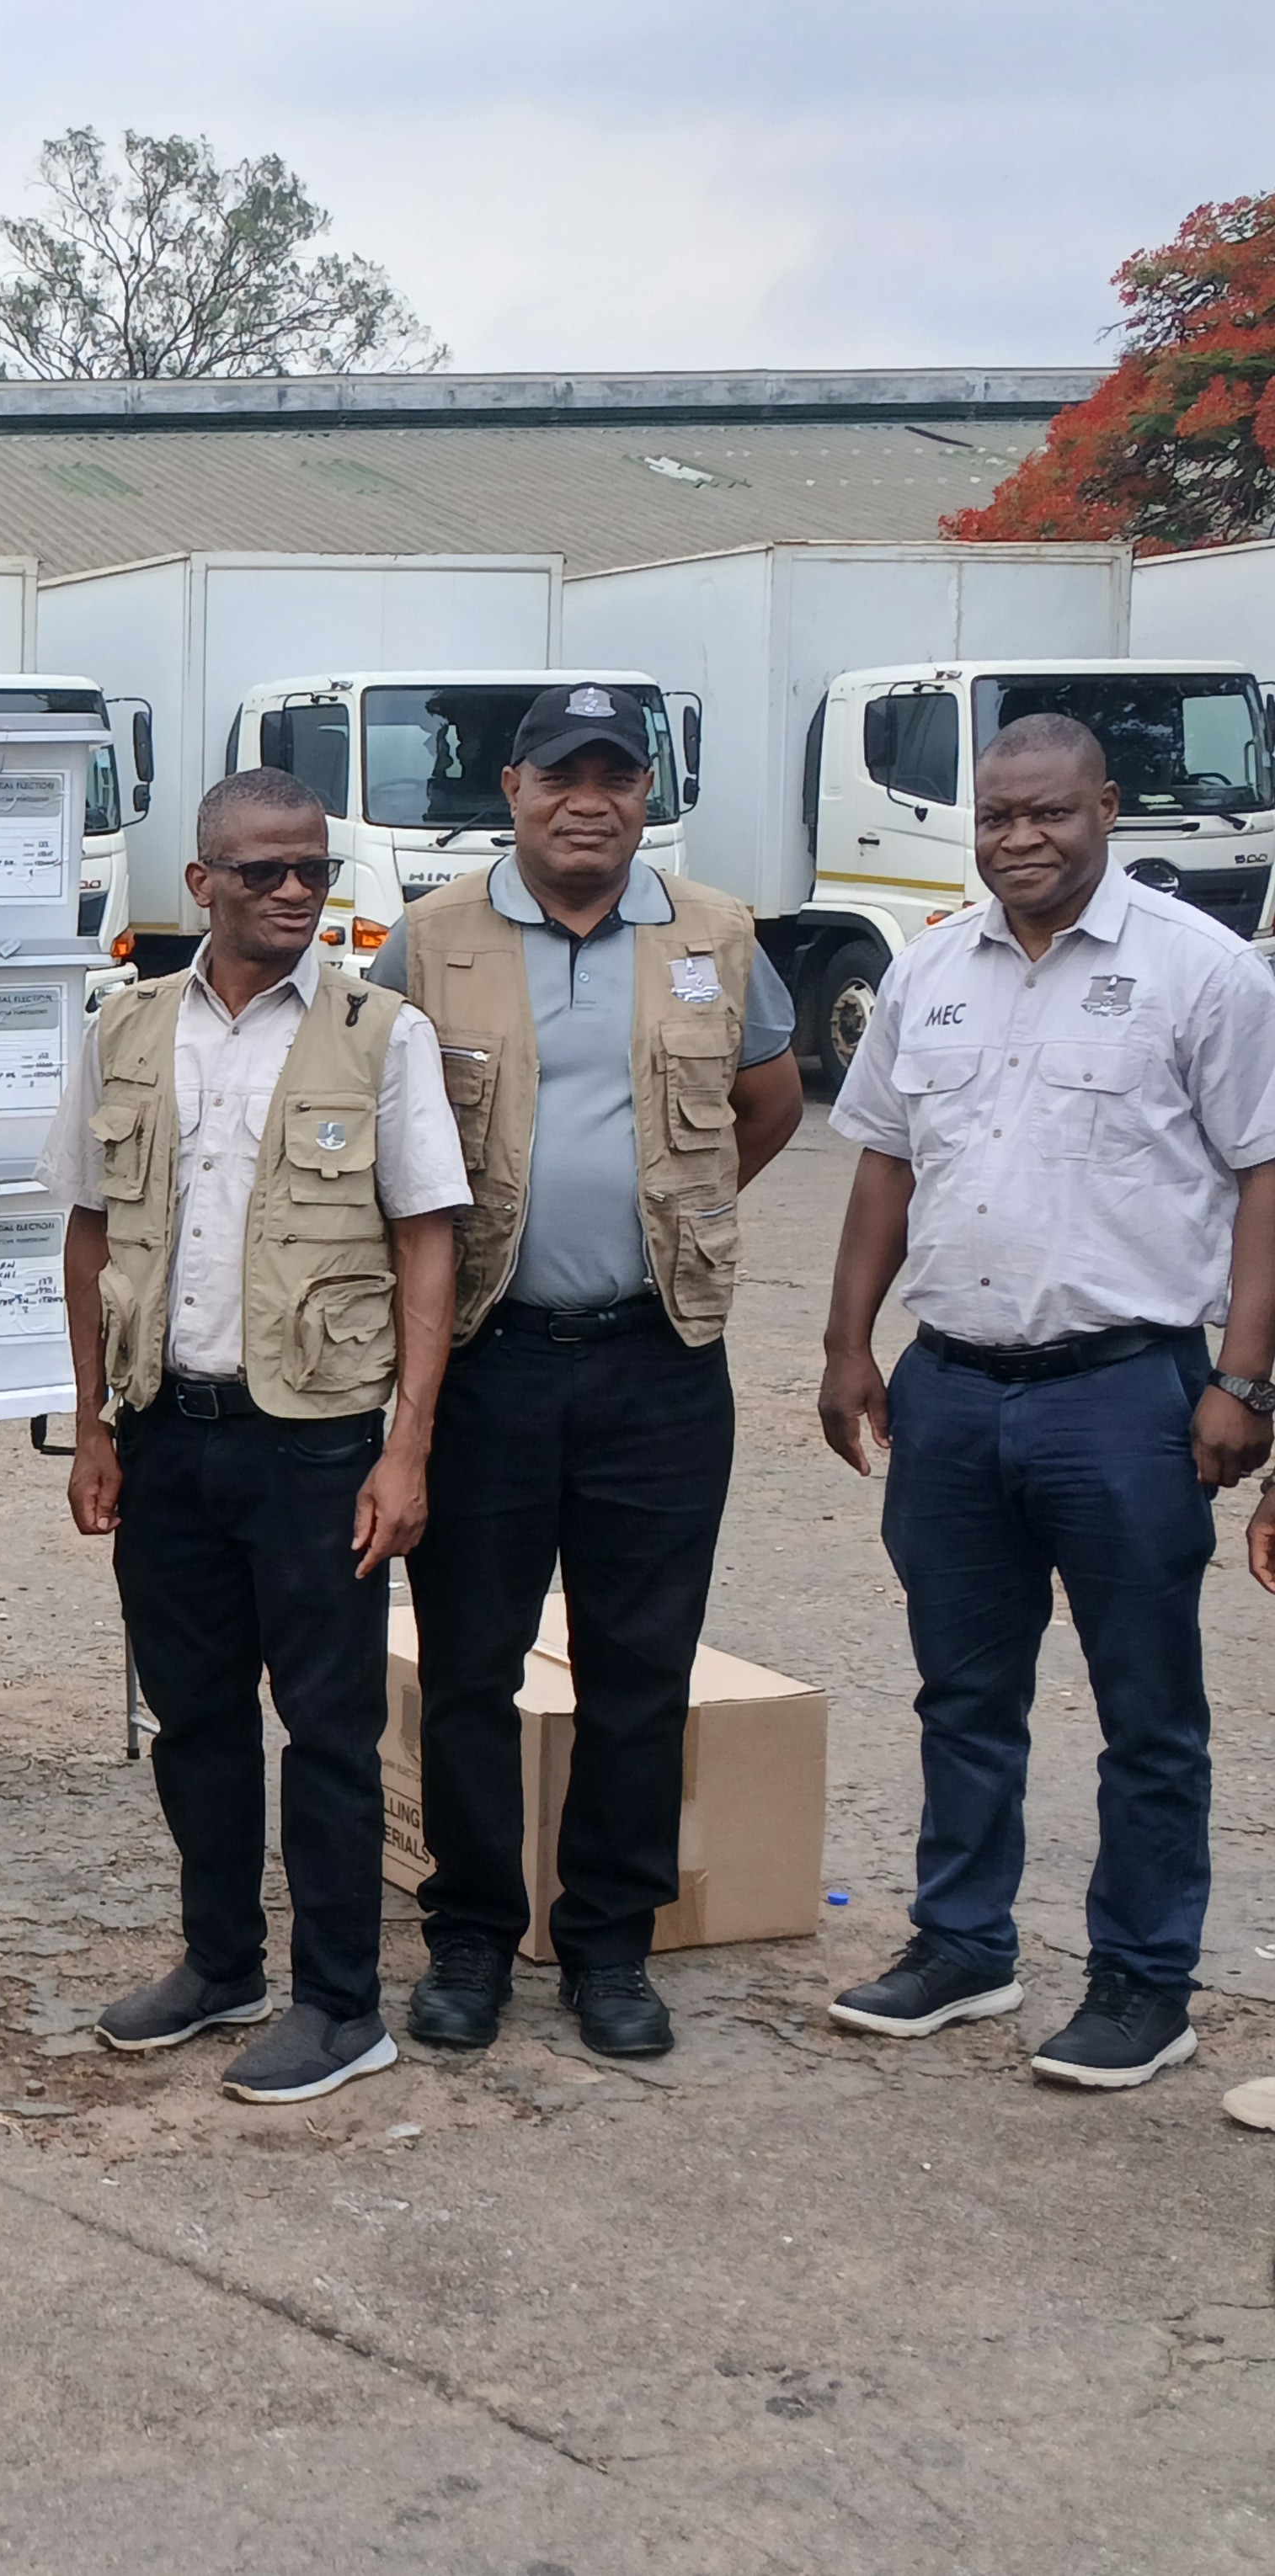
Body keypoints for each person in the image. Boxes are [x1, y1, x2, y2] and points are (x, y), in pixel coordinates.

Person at [818, 712, 1275, 2089]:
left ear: (1107, 810)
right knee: (963, 1693)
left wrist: (1246, 1379)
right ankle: (963, 1946)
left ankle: (1145, 1983)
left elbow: (1266, 1177)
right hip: (953, 1392)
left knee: (1148, 1708)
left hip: (1124, 1394)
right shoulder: (933, 972)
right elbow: (885, 1166)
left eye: (1051, 814)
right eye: (998, 816)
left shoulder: (1204, 974)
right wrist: (850, 1346)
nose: (1021, 839)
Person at [365, 684, 805, 2059]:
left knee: (640, 1668)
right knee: (470, 1672)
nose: (590, 800)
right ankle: (473, 1942)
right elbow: (374, 1123)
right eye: (565, 775)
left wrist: (670, 1215)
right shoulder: (426, 946)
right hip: (488, 1367)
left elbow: (770, 1100)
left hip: (657, 1366)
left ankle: (610, 1946)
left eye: (618, 776)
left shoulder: (718, 935)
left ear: (646, 796)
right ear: (513, 789)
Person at [54, 769, 468, 2105]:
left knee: (332, 1731)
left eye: (313, 871)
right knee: (195, 1721)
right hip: (171, 1432)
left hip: (317, 1445)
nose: (294, 893)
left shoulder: (377, 1031)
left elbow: (427, 1243)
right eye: (264, 873)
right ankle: (220, 1961)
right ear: (203, 885)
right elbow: (87, 1234)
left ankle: (344, 2006)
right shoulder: (125, 1031)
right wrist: (95, 1430)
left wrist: (406, 1452)